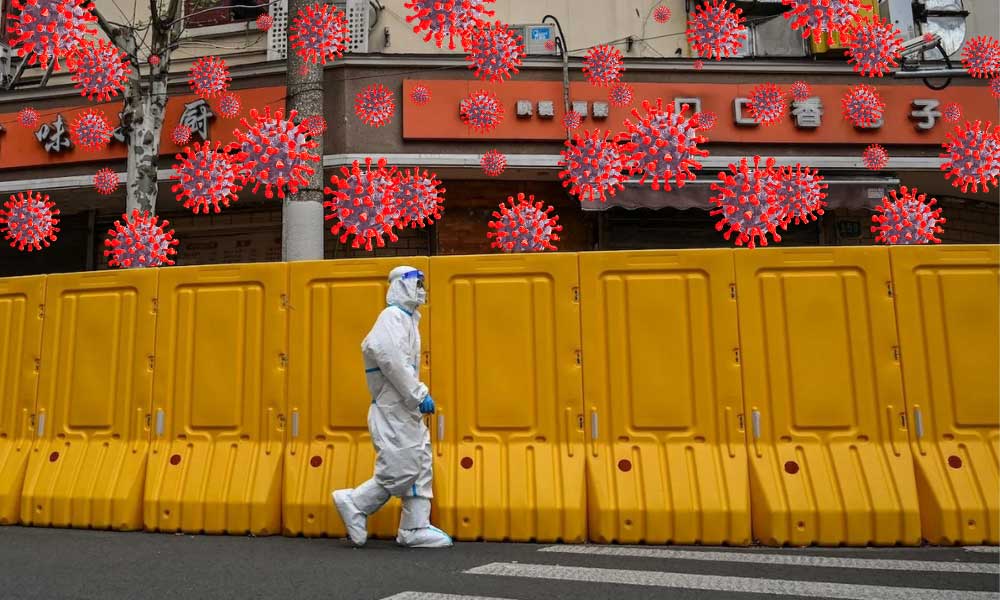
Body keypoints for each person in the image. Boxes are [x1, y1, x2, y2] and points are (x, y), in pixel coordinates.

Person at [332, 266, 453, 548]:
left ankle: (414, 527)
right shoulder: (392, 317)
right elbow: (390, 359)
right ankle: (355, 502)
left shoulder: (409, 320)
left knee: (420, 463)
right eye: (417, 283)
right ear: (401, 285)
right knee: (401, 465)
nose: (422, 289)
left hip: (404, 408)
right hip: (392, 407)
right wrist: (418, 393)